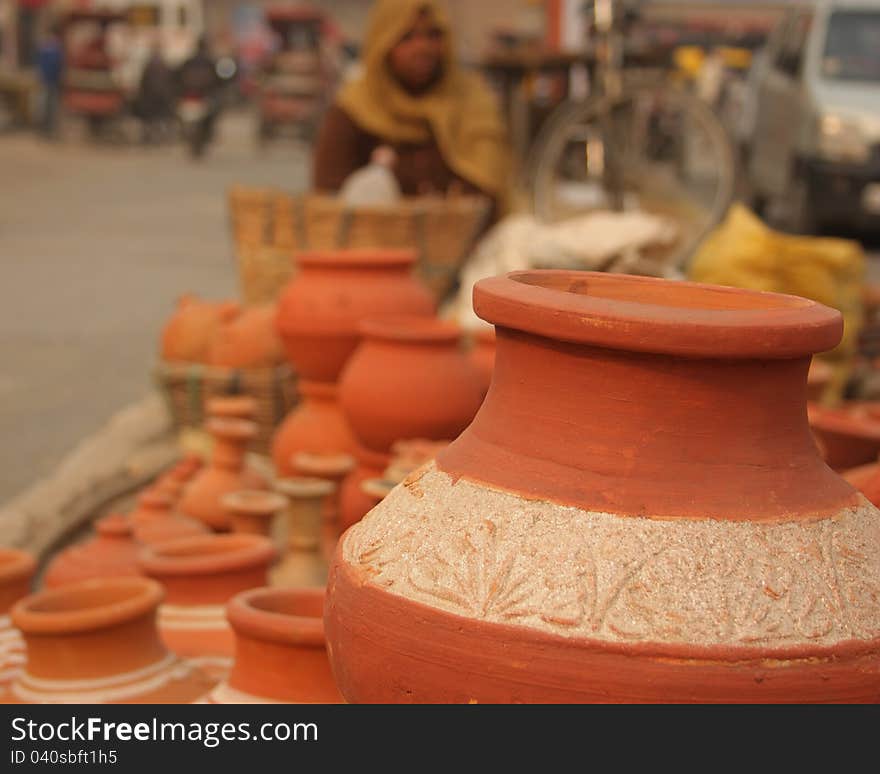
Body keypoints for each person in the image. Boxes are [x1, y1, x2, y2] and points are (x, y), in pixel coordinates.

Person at [312, 0, 510, 215]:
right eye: (407, 37)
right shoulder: (355, 109)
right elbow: (328, 197)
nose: (423, 48)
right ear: (383, 44)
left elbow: (490, 187)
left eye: (433, 35)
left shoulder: (471, 102)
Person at [135, 43, 175, 144]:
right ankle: (159, 133)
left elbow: (142, 83)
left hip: (151, 99)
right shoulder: (165, 65)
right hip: (161, 99)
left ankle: (150, 133)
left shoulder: (149, 65)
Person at [36, 24, 64, 139]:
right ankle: (46, 129)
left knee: (50, 106)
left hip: (51, 81)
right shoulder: (50, 48)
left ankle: (49, 129)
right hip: (48, 81)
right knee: (46, 105)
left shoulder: (53, 49)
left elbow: (59, 66)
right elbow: (42, 65)